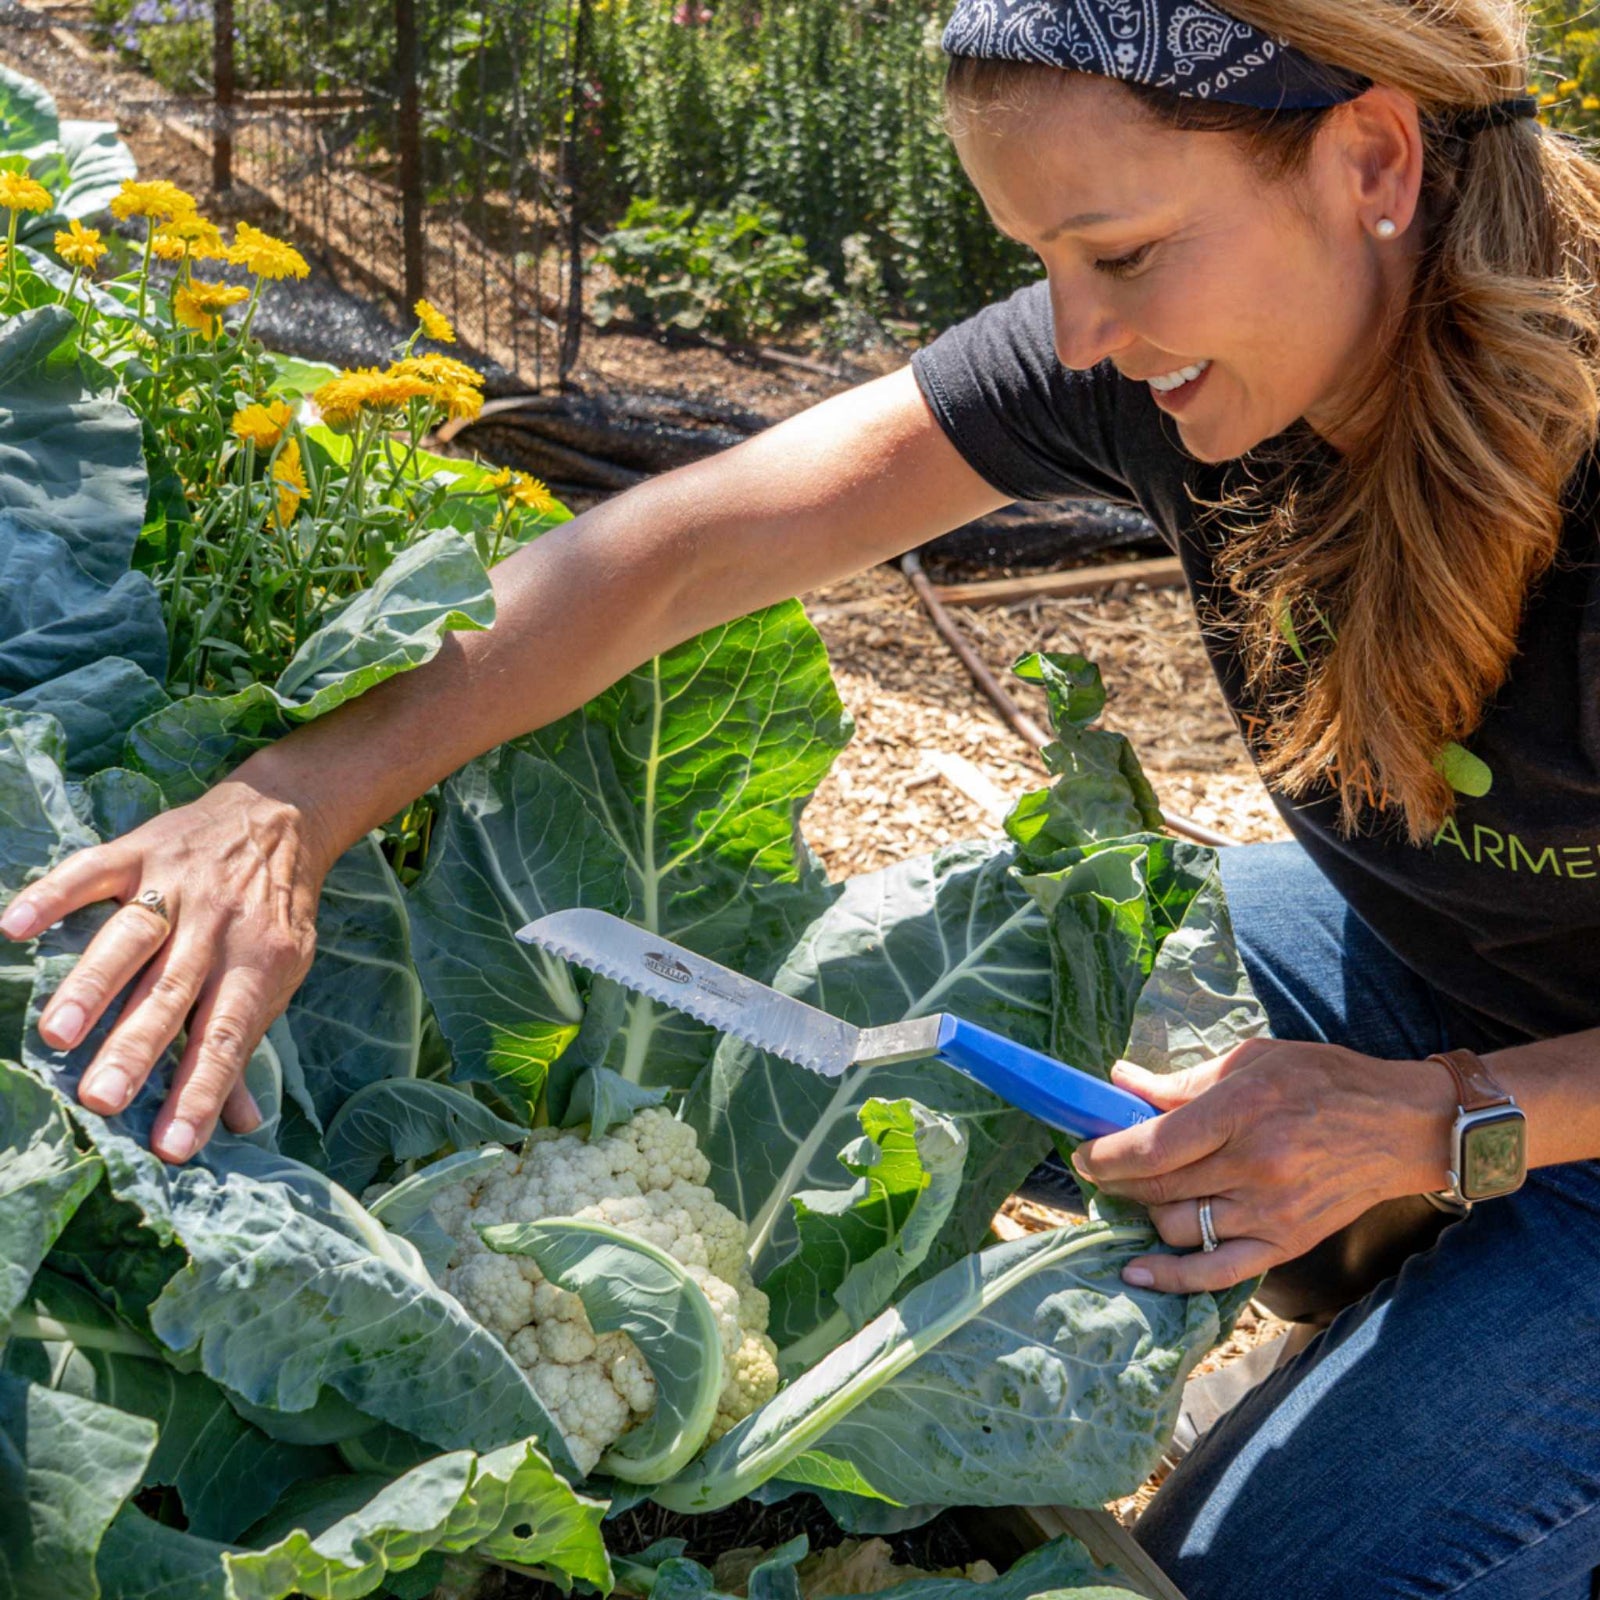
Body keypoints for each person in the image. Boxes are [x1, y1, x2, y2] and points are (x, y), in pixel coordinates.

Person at [8, 0, 1600, 1590]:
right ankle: (1388, 1255)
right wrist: (291, 796)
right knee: (928, 1022)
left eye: (1117, 254)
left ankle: (1449, 1270)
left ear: (1372, 159)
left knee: (1251, 1577)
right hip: (1427, 956)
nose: (1075, 336)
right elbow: (688, 546)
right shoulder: (1179, 350)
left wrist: (1442, 1121)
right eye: (1040, 257)